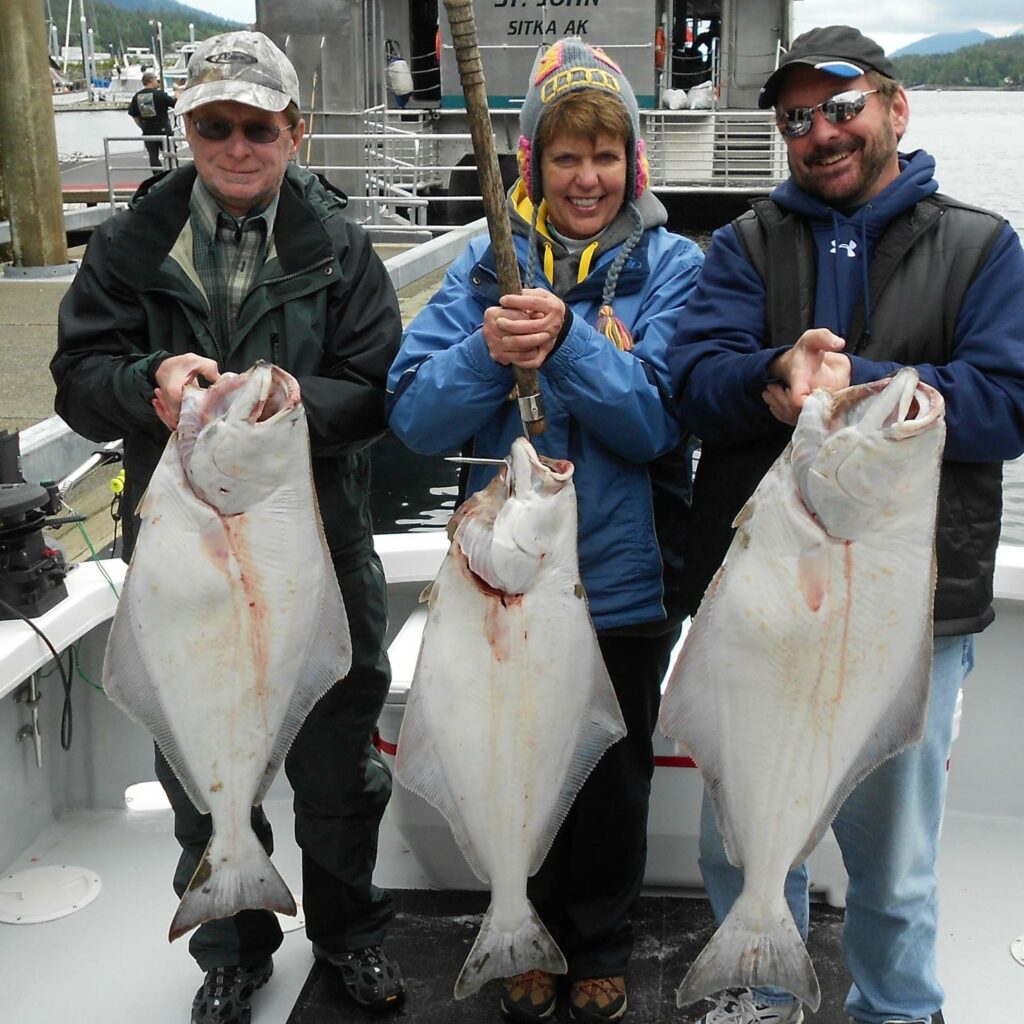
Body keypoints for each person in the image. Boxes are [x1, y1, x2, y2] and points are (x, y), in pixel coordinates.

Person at [666, 24, 1024, 1024]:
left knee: (894, 867)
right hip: (758, 607)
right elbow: (693, 386)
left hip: (910, 618)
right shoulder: (742, 245)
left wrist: (866, 383)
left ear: (894, 107)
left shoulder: (982, 247)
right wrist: (772, 374)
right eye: (795, 117)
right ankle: (760, 996)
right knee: (739, 843)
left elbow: (1008, 400)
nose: (818, 131)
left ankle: (897, 1012)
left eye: (840, 105)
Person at [51, 30, 407, 1024]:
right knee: (199, 769)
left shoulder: (342, 249)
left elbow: (378, 387)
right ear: (188, 132)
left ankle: (348, 935)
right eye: (215, 126)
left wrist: (298, 402)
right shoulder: (126, 246)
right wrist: (146, 384)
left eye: (259, 127)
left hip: (314, 557)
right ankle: (230, 943)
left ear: (294, 133)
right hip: (182, 567)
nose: (238, 146)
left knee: (341, 772)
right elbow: (77, 381)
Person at [388, 37, 704, 1024]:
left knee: (610, 776)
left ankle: (599, 936)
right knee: (513, 756)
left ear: (633, 163)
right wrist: (488, 355)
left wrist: (566, 344)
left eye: (605, 155)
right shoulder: (485, 269)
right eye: (565, 156)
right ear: (532, 162)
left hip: (622, 582)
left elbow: (658, 419)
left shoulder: (674, 266)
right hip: (503, 583)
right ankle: (523, 924)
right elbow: (413, 417)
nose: (586, 177)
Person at [128, 70, 177, 171]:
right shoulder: (159, 95)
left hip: (148, 131)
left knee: (153, 156)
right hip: (163, 130)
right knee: (171, 154)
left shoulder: (137, 96)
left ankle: (157, 176)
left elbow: (134, 115)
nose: (158, 82)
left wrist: (142, 126)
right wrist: (178, 94)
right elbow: (175, 104)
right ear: (151, 80)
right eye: (156, 80)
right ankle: (173, 175)